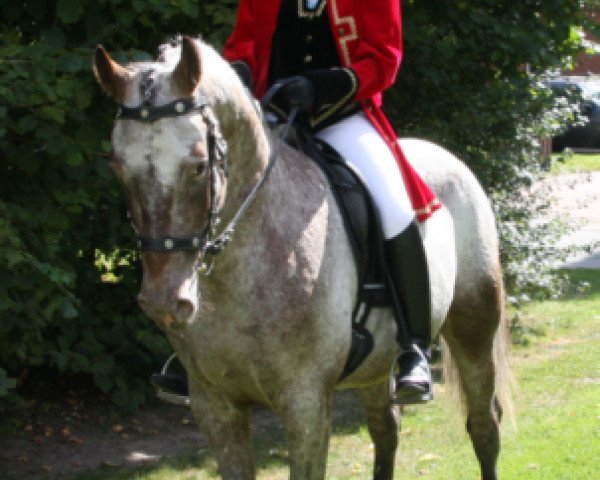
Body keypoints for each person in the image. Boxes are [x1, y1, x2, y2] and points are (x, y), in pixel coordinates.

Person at [152, 0, 442, 405]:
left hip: (342, 118)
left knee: (393, 207)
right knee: (214, 200)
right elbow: (243, 49)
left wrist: (322, 86)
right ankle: (193, 348)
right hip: (268, 118)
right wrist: (237, 81)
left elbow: (384, 59)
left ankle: (415, 348)